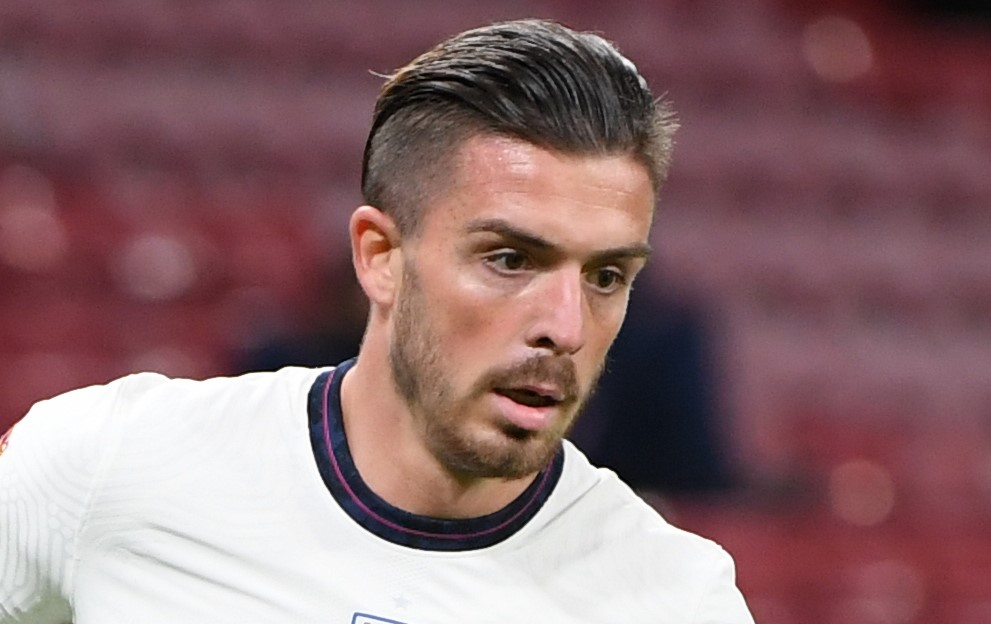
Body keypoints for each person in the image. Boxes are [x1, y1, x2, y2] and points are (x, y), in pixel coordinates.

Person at [0, 19, 755, 623]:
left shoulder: (673, 598)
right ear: (380, 256)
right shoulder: (107, 465)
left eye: (606, 277)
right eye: (509, 260)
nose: (566, 326)